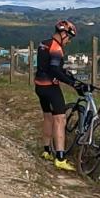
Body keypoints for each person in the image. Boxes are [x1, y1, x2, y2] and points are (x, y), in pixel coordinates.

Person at [34, 20, 89, 171]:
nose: (69, 41)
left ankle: (46, 151)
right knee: (60, 119)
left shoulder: (43, 44)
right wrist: (72, 83)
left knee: (48, 117)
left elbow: (51, 67)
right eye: (69, 37)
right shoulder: (56, 48)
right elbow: (54, 70)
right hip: (50, 88)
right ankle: (60, 158)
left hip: (39, 86)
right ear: (63, 33)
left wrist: (68, 76)